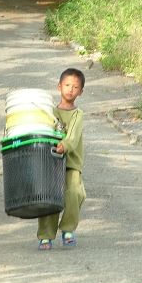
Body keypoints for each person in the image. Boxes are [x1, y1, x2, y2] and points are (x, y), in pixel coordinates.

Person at [38, 68, 86, 250]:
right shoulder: (50, 112)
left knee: (75, 192)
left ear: (81, 92)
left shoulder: (77, 114)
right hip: (50, 161)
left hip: (71, 163)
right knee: (48, 196)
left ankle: (67, 229)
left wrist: (64, 145)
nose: (70, 89)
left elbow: (72, 137)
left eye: (75, 87)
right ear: (59, 86)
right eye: (67, 85)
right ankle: (45, 235)